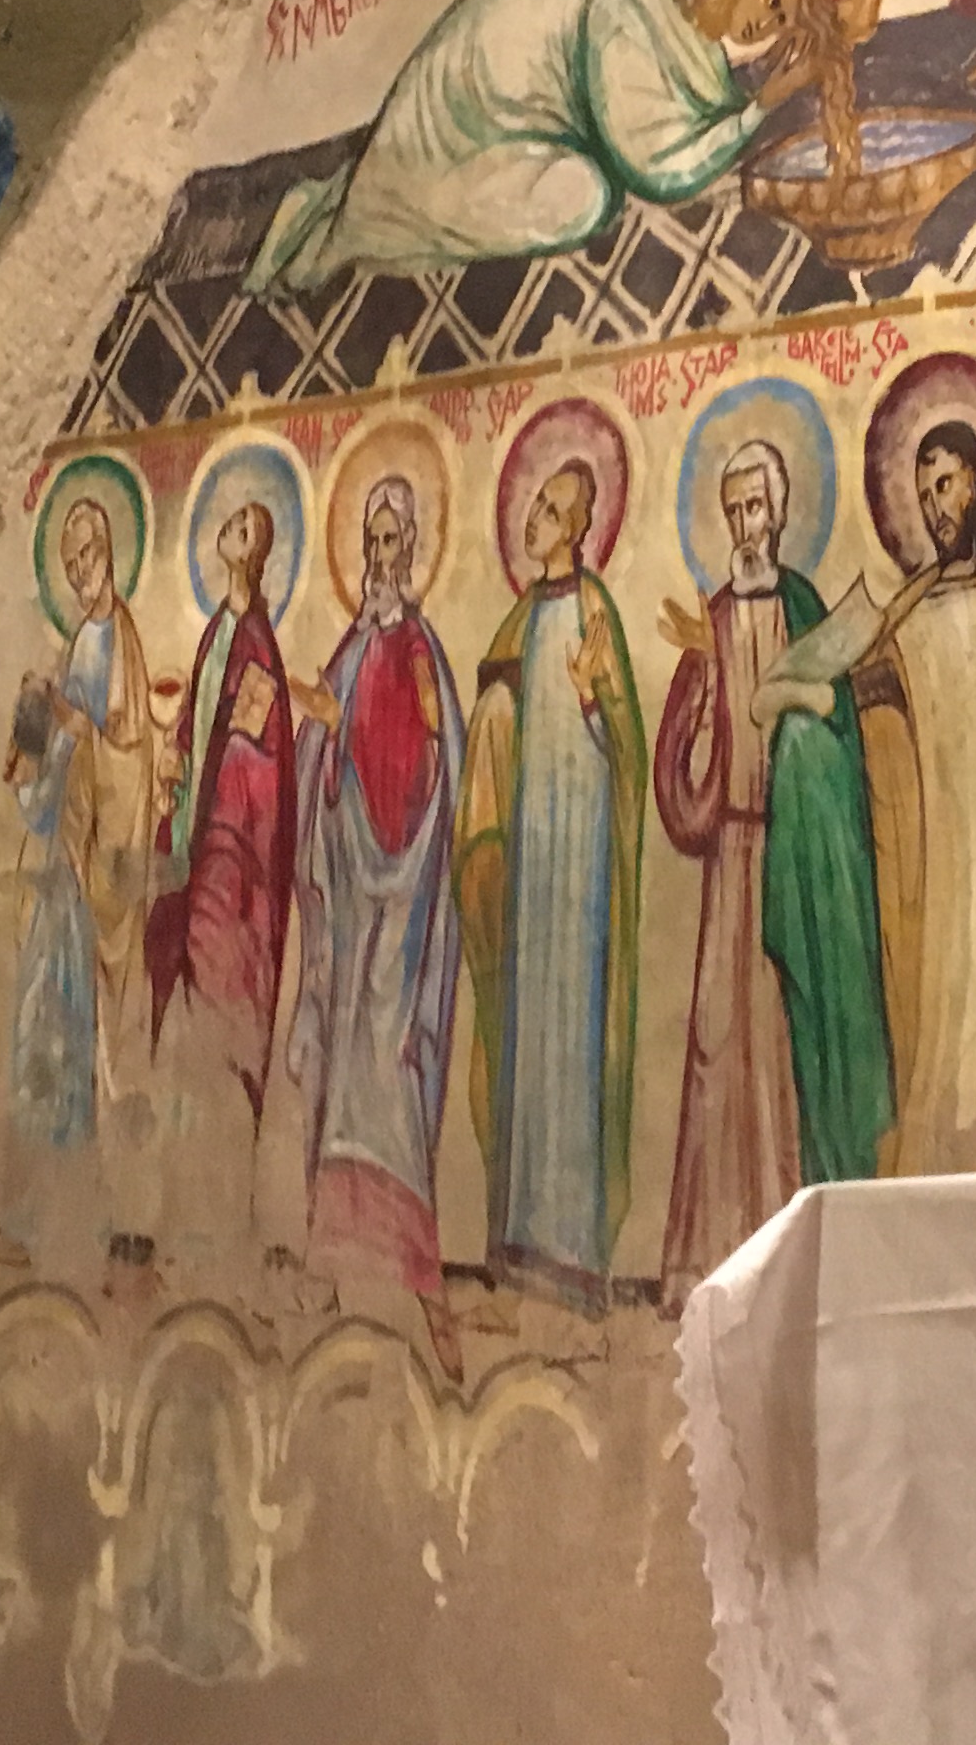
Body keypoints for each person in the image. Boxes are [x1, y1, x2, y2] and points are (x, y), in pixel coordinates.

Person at [767, 425, 976, 1166]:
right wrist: (807, 707)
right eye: (923, 495)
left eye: (944, 485)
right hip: (933, 833)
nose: (934, 508)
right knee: (937, 1000)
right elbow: (869, 703)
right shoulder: (910, 603)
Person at [250, 0, 848, 296]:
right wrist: (764, 105)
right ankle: (348, 229)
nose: (765, 22)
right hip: (456, 140)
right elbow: (654, 167)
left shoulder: (697, 45)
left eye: (781, 22)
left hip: (502, 133)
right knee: (586, 200)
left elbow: (684, 122)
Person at [651, 440, 893, 1295]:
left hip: (794, 855)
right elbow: (676, 749)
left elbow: (838, 728)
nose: (746, 527)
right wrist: (703, 676)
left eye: (757, 508)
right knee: (719, 1044)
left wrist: (806, 723)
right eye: (734, 512)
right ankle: (711, 1251)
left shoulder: (804, 608)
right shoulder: (712, 617)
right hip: (732, 859)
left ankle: (793, 1244)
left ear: (781, 514)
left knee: (788, 1046)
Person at [287, 480, 470, 1373]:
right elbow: (323, 748)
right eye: (372, 542)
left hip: (403, 892)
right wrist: (324, 730)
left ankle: (422, 1282)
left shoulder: (420, 649)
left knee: (393, 1074)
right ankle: (329, 1263)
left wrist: (410, 727)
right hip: (351, 892)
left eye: (393, 541)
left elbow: (442, 760)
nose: (380, 558)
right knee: (341, 1082)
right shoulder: (354, 647)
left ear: (414, 549)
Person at [459, 462, 646, 1302]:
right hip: (530, 859)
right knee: (526, 1039)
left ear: (576, 528)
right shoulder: (521, 619)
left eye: (550, 509)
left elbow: (629, 755)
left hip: (584, 865)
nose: (534, 518)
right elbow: (492, 720)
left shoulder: (595, 610)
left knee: (574, 1037)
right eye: (535, 505)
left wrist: (591, 698)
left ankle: (572, 1247)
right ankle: (518, 1236)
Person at [7, 494, 157, 1149]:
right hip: (64, 850)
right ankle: (43, 1152)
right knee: (41, 999)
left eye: (87, 555)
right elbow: (66, 743)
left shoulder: (121, 639)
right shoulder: (78, 644)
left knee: (69, 997)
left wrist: (71, 721)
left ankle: (71, 1149)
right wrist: (34, 729)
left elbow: (126, 751)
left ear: (110, 553)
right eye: (69, 564)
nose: (78, 572)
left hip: (93, 852)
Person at [149, 498, 300, 1124]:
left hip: (227, 842)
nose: (230, 529)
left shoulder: (257, 643)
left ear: (255, 554)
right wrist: (177, 756)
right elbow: (199, 714)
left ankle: (215, 1115)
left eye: (244, 528)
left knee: (212, 966)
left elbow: (261, 756)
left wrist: (230, 757)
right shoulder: (217, 632)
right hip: (196, 823)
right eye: (232, 521)